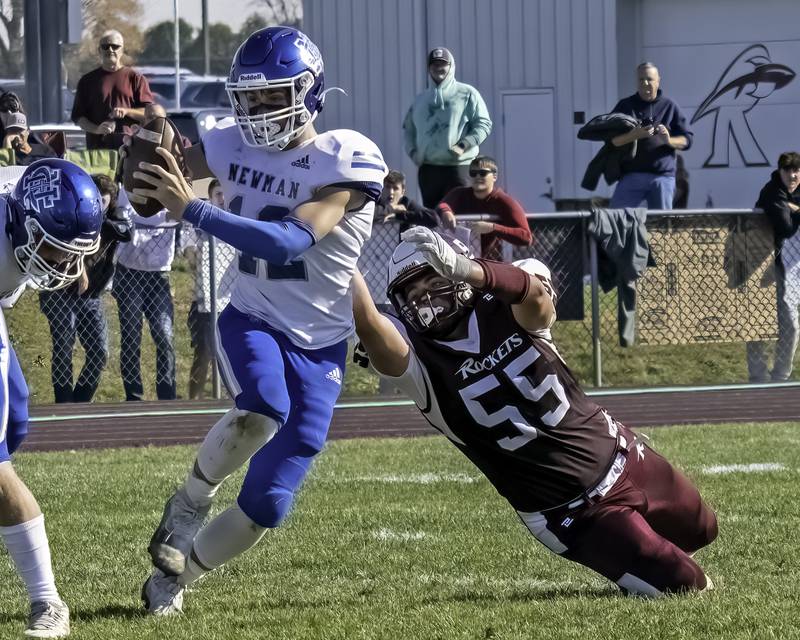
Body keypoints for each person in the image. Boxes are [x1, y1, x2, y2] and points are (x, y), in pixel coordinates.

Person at [125, 26, 387, 615]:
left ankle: (176, 579)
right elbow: (168, 141)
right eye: (250, 97)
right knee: (263, 404)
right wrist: (151, 140)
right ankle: (190, 503)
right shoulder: (225, 140)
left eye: (274, 95)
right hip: (253, 315)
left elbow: (289, 241)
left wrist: (192, 207)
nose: (259, 110)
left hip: (322, 344)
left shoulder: (343, 156)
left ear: (310, 92)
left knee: (269, 503)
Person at [350, 226, 718, 597]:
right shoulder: (420, 366)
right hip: (572, 512)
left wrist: (469, 269)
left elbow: (534, 295)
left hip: (624, 454)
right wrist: (341, 252)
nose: (423, 299)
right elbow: (369, 324)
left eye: (431, 281)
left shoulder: (505, 307)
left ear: (456, 269)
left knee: (703, 530)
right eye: (411, 294)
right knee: (689, 586)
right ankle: (630, 558)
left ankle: (636, 559)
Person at [0, 158, 102, 637]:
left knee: (15, 425)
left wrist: (74, 259)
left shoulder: (27, 194)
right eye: (58, 251)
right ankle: (48, 601)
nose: (66, 265)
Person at [38, 174, 132, 403]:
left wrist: (103, 219)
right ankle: (64, 404)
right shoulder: (73, 213)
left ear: (111, 200)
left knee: (100, 352)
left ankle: (80, 403)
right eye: (95, 199)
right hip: (59, 291)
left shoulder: (112, 219)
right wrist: (79, 271)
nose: (98, 204)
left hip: (91, 296)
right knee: (63, 346)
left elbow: (125, 232)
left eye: (103, 199)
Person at [403, 47, 492, 208]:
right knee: (433, 219)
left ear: (451, 67)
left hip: (459, 168)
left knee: (460, 218)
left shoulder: (467, 94)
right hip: (429, 170)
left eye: (443, 64)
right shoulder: (421, 100)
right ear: (429, 68)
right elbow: (408, 130)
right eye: (434, 64)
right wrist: (414, 153)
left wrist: (464, 145)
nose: (438, 68)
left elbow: (484, 124)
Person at [112, 192, 178, 401]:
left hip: (159, 276)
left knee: (164, 336)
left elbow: (178, 214)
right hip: (129, 272)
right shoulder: (126, 189)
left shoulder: (169, 188)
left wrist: (165, 217)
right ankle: (134, 396)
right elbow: (126, 217)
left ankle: (167, 395)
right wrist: (162, 218)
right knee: (131, 337)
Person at [746, 152, 800, 382]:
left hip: (789, 267)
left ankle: (781, 375)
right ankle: (758, 375)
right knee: (759, 320)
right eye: (788, 170)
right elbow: (786, 228)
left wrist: (793, 207)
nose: (793, 175)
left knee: (790, 323)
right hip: (759, 263)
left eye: (797, 170)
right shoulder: (772, 191)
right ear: (780, 171)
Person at [609, 62, 693, 210]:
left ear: (658, 80)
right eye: (641, 80)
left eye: (649, 79)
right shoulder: (625, 106)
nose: (645, 83)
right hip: (631, 176)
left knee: (661, 225)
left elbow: (687, 140)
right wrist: (633, 135)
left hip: (662, 177)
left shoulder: (670, 106)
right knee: (615, 218)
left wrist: (668, 140)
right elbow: (612, 141)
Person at [180, 179, 236, 399]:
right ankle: (194, 400)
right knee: (204, 353)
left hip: (234, 299)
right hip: (207, 301)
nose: (222, 199)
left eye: (225, 194)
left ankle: (233, 399)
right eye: (218, 194)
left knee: (232, 355)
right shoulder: (202, 224)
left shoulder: (238, 221)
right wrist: (193, 253)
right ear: (211, 198)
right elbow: (187, 243)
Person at [437, 156, 532, 261]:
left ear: (494, 176)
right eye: (473, 173)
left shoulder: (503, 201)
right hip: (459, 259)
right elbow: (443, 204)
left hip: (489, 263)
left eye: (483, 173)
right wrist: (446, 212)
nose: (478, 177)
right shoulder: (460, 193)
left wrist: (492, 227)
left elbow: (526, 237)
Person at [71, 30, 153, 150]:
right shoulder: (87, 81)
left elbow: (149, 114)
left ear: (122, 50)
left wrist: (126, 111)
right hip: (98, 152)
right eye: (105, 46)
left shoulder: (136, 78)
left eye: (115, 46)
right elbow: (78, 117)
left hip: (130, 150)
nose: (110, 50)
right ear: (99, 50)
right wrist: (97, 129)